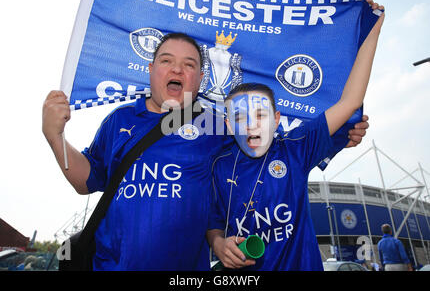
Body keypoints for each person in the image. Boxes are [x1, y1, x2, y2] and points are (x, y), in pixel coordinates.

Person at [43, 32, 370, 270]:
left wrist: (342, 135)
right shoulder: (119, 121)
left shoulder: (216, 124)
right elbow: (86, 181)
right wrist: (55, 136)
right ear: (151, 69)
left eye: (188, 65)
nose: (176, 69)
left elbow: (266, 146)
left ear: (199, 79)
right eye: (166, 61)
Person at [206, 0, 385, 271]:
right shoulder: (218, 165)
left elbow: (350, 102)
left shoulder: (295, 148)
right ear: (228, 125)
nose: (251, 126)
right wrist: (219, 244)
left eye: (261, 115)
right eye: (240, 118)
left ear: (277, 120)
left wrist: (372, 29)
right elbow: (213, 222)